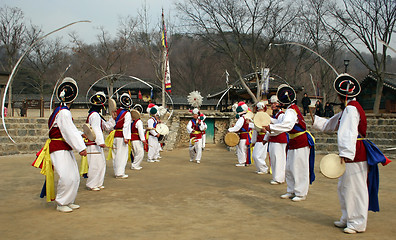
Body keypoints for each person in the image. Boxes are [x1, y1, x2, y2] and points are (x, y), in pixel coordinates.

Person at [313, 74, 390, 234]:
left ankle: (357, 222)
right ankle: (348, 217)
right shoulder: (349, 109)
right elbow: (331, 124)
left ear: (341, 95)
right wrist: (316, 120)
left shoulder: (351, 109)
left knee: (354, 188)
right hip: (353, 152)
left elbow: (347, 133)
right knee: (345, 187)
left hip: (355, 153)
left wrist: (346, 153)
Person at [33, 77, 87, 213]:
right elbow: (68, 131)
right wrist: (81, 147)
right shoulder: (63, 112)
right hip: (58, 147)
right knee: (66, 175)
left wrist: (81, 135)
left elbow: (71, 130)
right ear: (73, 99)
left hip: (63, 146)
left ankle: (69, 200)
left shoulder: (62, 112)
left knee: (74, 174)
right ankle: (62, 202)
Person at [263, 85, 315, 202]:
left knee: (299, 167)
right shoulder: (290, 110)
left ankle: (301, 193)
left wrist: (271, 127)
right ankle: (291, 190)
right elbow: (282, 122)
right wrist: (270, 123)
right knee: (290, 167)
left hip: (301, 141)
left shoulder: (291, 111)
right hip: (294, 141)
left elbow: (287, 125)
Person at [84, 92, 115, 191]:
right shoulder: (95, 116)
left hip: (96, 142)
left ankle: (98, 182)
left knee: (101, 163)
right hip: (93, 142)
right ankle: (92, 184)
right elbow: (96, 129)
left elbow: (106, 127)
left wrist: (113, 119)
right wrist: (100, 142)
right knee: (95, 164)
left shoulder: (96, 115)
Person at [106, 93, 132, 179]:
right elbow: (126, 126)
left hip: (115, 135)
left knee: (115, 154)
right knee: (122, 155)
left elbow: (110, 125)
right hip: (121, 136)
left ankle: (116, 171)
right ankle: (120, 173)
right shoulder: (127, 114)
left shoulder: (115, 112)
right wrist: (126, 137)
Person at [265, 95, 288, 185]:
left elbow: (280, 126)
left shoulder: (282, 115)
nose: (273, 105)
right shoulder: (276, 115)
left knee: (279, 158)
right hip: (274, 138)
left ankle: (279, 178)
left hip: (279, 139)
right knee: (274, 158)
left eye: (275, 103)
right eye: (272, 103)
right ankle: (276, 176)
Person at [228, 102, 251, 167]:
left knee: (241, 149)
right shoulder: (246, 117)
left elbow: (237, 127)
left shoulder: (241, 118)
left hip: (242, 136)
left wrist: (230, 129)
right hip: (245, 135)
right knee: (244, 149)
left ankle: (242, 162)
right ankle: (245, 161)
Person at [252, 101, 269, 174]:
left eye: (261, 109)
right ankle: (260, 168)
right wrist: (253, 141)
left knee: (258, 155)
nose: (260, 110)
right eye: (258, 109)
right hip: (259, 138)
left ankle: (263, 169)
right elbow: (255, 130)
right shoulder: (256, 117)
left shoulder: (267, 118)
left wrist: (265, 131)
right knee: (257, 155)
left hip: (264, 138)